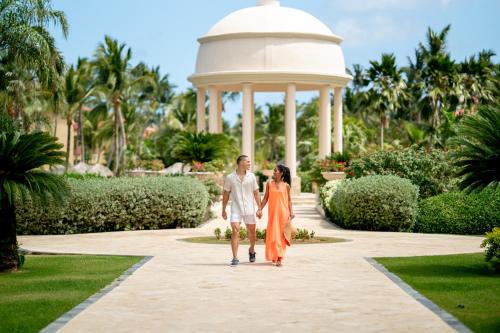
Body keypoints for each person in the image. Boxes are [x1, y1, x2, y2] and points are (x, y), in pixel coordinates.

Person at [222, 155, 263, 266]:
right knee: (235, 230)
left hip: (249, 208)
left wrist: (259, 208)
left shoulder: (252, 176)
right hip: (236, 208)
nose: (250, 163)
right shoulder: (230, 177)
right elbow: (226, 193)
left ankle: (252, 250)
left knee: (252, 233)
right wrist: (223, 209)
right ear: (241, 162)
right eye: (248, 161)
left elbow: (256, 192)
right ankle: (235, 257)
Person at [260, 164, 294, 267]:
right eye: (274, 171)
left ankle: (279, 257)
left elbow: (289, 200)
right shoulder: (269, 184)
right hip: (273, 214)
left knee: (281, 236)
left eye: (276, 171)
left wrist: (291, 212)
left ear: (281, 173)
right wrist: (259, 209)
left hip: (283, 214)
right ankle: (275, 255)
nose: (274, 172)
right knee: (273, 236)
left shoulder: (286, 186)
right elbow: (265, 198)